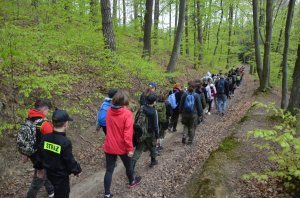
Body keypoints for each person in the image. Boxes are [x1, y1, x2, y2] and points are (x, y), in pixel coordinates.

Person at [34, 109, 82, 198]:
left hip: (49, 174)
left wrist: (39, 168)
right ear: (66, 124)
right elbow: (69, 160)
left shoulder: (45, 138)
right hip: (61, 177)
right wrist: (77, 170)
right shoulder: (65, 142)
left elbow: (40, 155)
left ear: (52, 122)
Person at [103, 90, 141, 198]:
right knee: (128, 166)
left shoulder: (109, 110)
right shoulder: (127, 114)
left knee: (109, 170)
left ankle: (107, 194)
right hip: (122, 146)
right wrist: (130, 148)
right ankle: (132, 181)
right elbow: (127, 134)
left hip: (109, 145)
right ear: (124, 102)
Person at [24, 99, 54, 198]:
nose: (47, 113)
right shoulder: (45, 124)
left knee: (45, 172)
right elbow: (52, 141)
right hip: (42, 155)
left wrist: (25, 153)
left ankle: (51, 191)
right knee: (38, 178)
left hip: (32, 153)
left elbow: (26, 137)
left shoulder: (29, 119)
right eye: (48, 110)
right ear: (44, 109)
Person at [133, 94, 159, 168]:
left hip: (141, 132)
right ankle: (153, 161)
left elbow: (136, 118)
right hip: (150, 133)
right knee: (153, 146)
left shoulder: (141, 108)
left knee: (138, 149)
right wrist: (157, 135)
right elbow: (155, 125)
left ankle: (131, 166)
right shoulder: (154, 111)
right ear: (154, 102)